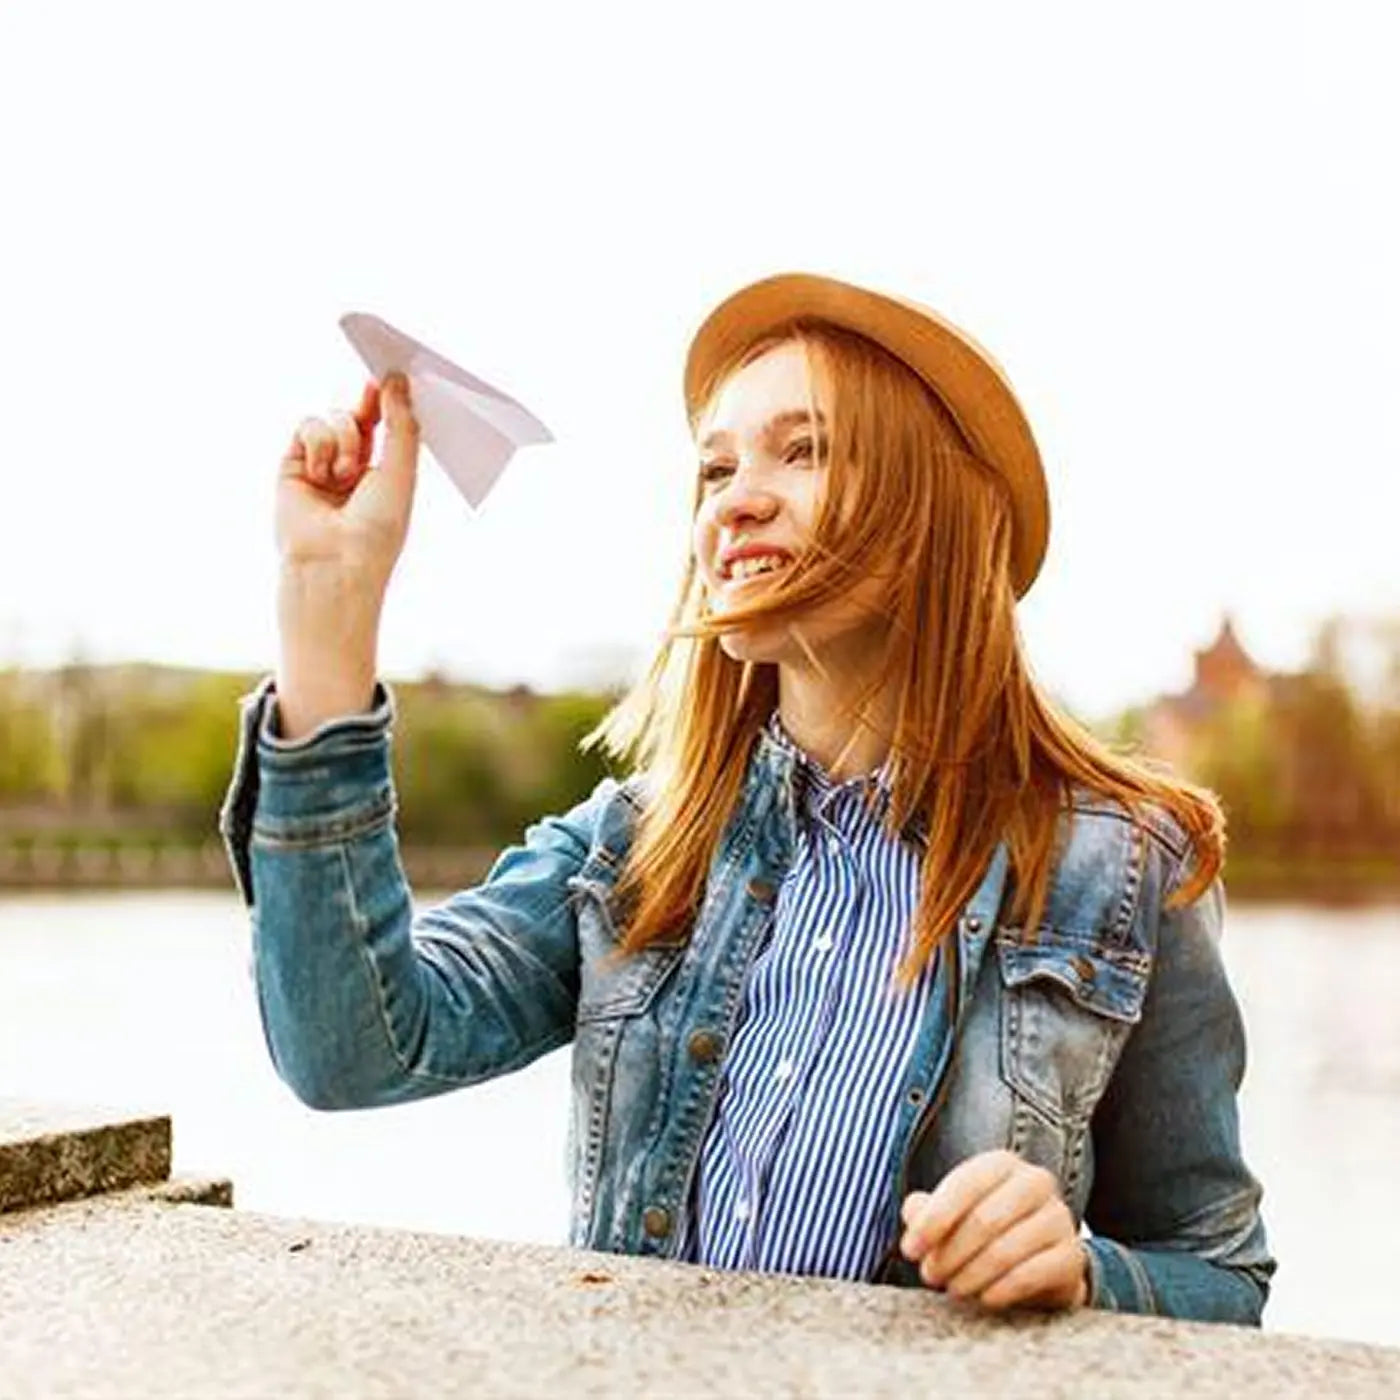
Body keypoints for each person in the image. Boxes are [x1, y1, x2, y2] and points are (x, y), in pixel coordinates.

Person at [221, 272, 1275, 1323]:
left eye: (802, 448)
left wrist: (1080, 1270)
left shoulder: (1126, 865)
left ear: (934, 507)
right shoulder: (634, 844)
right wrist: (330, 602)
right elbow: (351, 1046)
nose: (734, 496)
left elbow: (1218, 1271)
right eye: (715, 467)